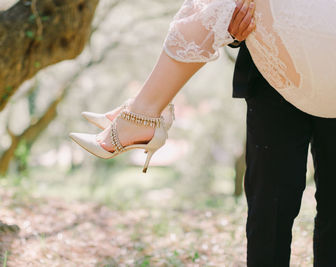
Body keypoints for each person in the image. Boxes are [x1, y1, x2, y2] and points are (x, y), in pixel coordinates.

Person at [70, 0, 336, 265]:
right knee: (270, 208)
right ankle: (145, 111)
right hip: (274, 72)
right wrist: (233, 31)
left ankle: (144, 113)